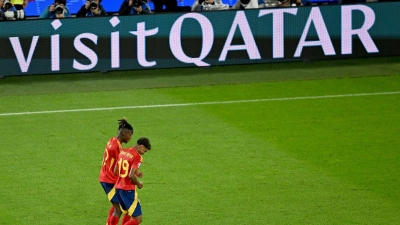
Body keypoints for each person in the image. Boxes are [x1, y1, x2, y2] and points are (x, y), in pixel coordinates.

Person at [99, 118, 134, 225]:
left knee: (117, 205)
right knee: (119, 210)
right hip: (109, 180)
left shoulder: (112, 140)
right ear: (124, 133)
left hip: (105, 176)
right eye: (130, 135)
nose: (131, 137)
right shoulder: (117, 147)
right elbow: (121, 166)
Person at [111, 137, 152, 225]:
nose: (143, 153)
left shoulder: (123, 151)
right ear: (141, 146)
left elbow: (115, 172)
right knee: (138, 219)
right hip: (128, 190)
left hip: (118, 189)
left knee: (128, 213)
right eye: (144, 151)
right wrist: (138, 184)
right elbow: (130, 175)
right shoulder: (137, 157)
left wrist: (136, 173)